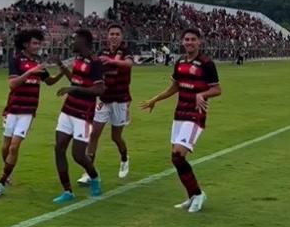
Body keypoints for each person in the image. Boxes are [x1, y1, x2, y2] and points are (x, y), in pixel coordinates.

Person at [140, 28, 222, 213]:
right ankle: (192, 194)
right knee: (176, 158)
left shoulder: (206, 63)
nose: (190, 42)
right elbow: (174, 88)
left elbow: (217, 89)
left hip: (195, 115)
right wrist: (155, 99)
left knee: (178, 154)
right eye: (187, 39)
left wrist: (203, 94)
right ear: (182, 42)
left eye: (193, 39)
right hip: (180, 114)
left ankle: (199, 194)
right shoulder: (179, 62)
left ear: (199, 42)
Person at [0, 29, 64, 198]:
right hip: (12, 108)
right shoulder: (16, 60)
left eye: (39, 43)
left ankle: (1, 181)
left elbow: (49, 82)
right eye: (35, 43)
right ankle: (8, 170)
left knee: (15, 146)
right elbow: (12, 84)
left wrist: (62, 72)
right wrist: (30, 73)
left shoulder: (38, 63)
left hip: (28, 111)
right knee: (6, 147)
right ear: (26, 44)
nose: (38, 46)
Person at [53, 29, 105, 204]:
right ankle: (67, 191)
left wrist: (74, 89)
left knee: (78, 155)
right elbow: (75, 81)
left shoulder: (95, 63)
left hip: (84, 114)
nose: (71, 43)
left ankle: (94, 176)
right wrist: (61, 66)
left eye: (74, 39)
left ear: (83, 41)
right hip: (67, 110)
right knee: (59, 148)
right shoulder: (78, 60)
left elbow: (99, 89)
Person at [78, 24, 133, 186]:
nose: (114, 36)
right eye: (112, 34)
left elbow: (129, 64)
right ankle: (89, 170)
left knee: (116, 137)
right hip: (103, 99)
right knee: (94, 133)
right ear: (107, 36)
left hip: (120, 100)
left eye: (117, 34)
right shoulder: (102, 52)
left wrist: (112, 61)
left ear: (122, 36)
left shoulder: (126, 51)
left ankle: (124, 158)